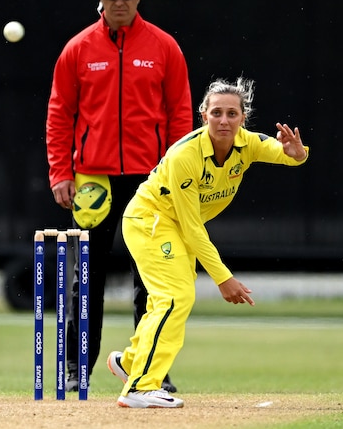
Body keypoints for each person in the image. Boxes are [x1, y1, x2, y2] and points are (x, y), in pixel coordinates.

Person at [106, 77, 309, 408]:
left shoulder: (248, 143)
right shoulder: (184, 155)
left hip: (174, 227)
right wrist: (223, 278)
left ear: (243, 118)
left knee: (166, 300)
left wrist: (297, 155)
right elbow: (191, 227)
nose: (224, 121)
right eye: (217, 113)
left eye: (232, 113)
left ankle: (131, 362)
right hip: (150, 221)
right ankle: (141, 387)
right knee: (175, 297)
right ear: (203, 115)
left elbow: (283, 151)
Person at [46, 0, 193, 392]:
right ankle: (76, 369)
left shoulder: (164, 47)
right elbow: (60, 114)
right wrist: (60, 172)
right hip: (93, 180)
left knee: (152, 280)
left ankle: (150, 369)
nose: (120, 1)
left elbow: (180, 115)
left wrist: (176, 175)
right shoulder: (78, 49)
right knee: (85, 278)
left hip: (151, 180)